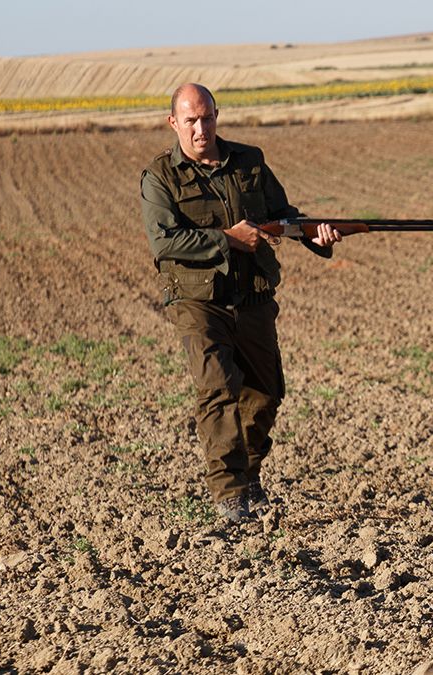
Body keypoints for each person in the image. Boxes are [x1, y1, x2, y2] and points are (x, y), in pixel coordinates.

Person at [140, 83, 341, 523]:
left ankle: (249, 472)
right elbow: (164, 241)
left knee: (266, 393)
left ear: (217, 116)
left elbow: (283, 216)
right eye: (190, 120)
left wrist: (316, 235)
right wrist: (226, 239)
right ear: (174, 123)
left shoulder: (249, 161)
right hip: (198, 301)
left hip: (252, 294)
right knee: (217, 388)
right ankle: (229, 493)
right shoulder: (161, 176)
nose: (200, 129)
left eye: (207, 118)